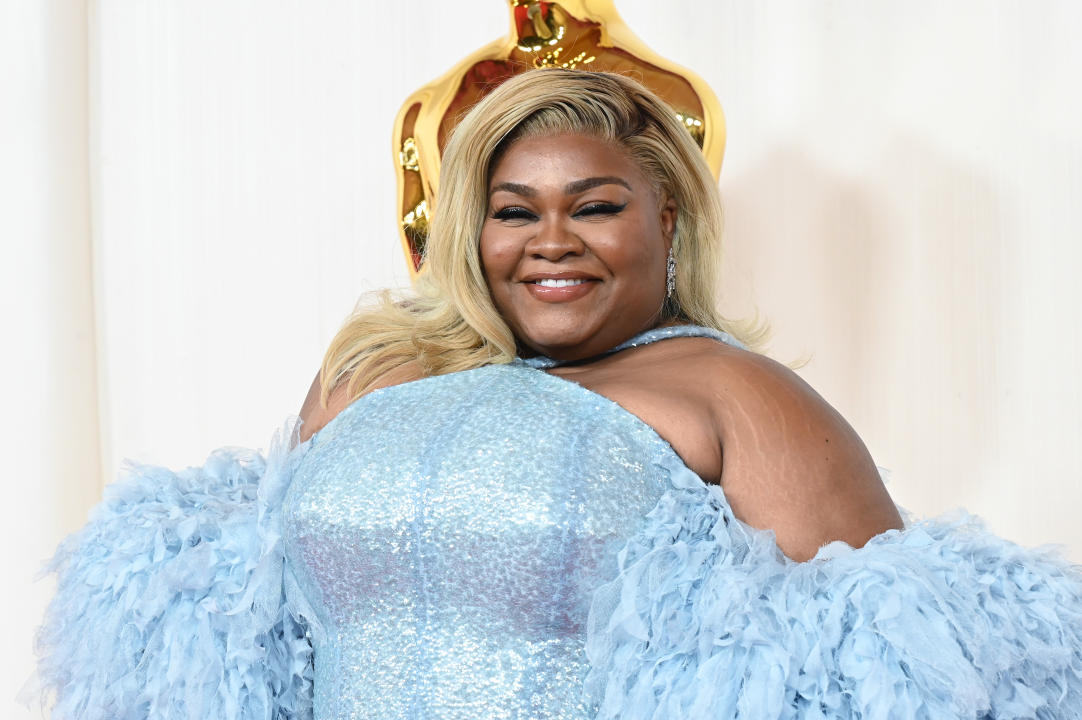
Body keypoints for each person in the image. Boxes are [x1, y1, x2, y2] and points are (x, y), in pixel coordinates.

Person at [31, 69, 1082, 719]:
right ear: (468, 232)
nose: (549, 243)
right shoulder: (378, 370)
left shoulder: (732, 395)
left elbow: (878, 677)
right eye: (512, 210)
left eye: (594, 206)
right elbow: (256, 637)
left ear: (666, 220)